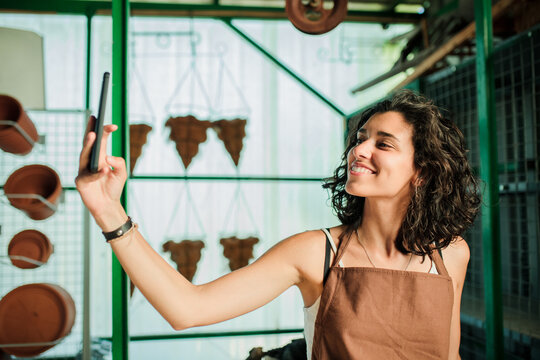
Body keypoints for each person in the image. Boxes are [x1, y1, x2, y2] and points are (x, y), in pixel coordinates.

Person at [76, 90, 481, 359]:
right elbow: (188, 309)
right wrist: (108, 210)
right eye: (360, 137)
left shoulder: (451, 254)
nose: (359, 149)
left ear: (423, 171)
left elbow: (449, 355)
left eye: (383, 143)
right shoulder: (313, 252)